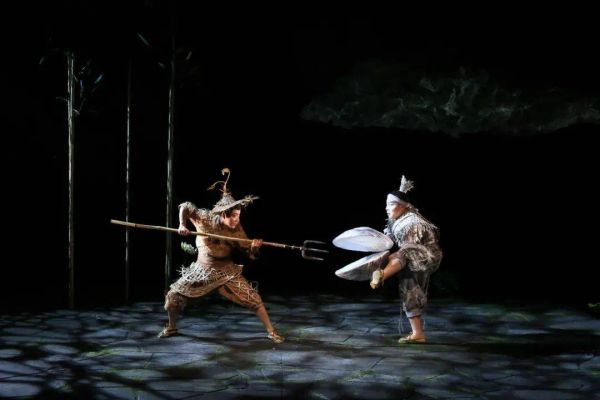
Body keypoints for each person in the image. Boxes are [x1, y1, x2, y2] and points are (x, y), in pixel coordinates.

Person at [158, 169, 284, 343]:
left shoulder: (237, 230)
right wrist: (182, 224)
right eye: (234, 216)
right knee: (172, 298)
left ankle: (271, 331)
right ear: (224, 214)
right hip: (202, 269)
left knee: (254, 299)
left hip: (226, 271)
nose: (237, 220)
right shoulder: (205, 218)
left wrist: (254, 248)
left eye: (239, 216)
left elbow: (251, 255)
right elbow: (185, 206)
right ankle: (171, 327)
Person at [370, 175, 442, 344]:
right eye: (386, 204)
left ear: (403, 206)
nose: (387, 208)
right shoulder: (396, 220)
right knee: (408, 288)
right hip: (409, 256)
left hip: (426, 256)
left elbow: (410, 249)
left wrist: (390, 257)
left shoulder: (412, 222)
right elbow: (389, 240)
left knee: (402, 254)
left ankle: (382, 274)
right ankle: (418, 334)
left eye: (391, 204)